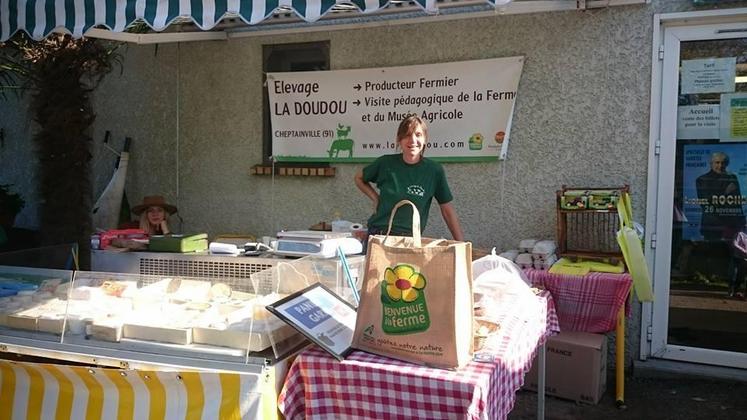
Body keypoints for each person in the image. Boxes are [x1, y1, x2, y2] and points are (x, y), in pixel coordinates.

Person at [354, 115, 464, 241]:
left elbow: (447, 211)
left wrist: (462, 244)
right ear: (399, 140)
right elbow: (359, 178)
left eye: (418, 134)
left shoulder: (434, 171)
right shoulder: (385, 163)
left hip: (410, 241)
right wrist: (375, 198)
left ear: (425, 139)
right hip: (379, 236)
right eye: (407, 135)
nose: (413, 140)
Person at [695, 151, 745, 241]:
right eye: (717, 162)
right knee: (713, 253)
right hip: (713, 225)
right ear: (711, 164)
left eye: (723, 163)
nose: (720, 165)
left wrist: (741, 220)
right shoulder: (702, 179)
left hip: (732, 224)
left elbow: (737, 202)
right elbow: (706, 203)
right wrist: (725, 192)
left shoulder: (732, 177)